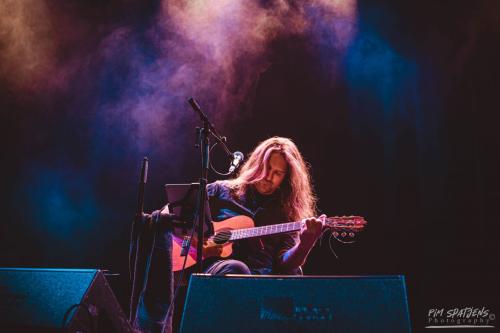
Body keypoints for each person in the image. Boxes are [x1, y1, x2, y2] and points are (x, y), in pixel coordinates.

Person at [200, 136, 325, 275]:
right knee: (237, 269)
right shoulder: (222, 190)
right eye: (267, 167)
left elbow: (286, 264)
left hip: (261, 277)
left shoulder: (287, 214)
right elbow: (178, 211)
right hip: (216, 267)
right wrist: (196, 243)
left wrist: (305, 245)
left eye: (277, 173)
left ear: (286, 178)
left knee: (294, 274)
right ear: (256, 164)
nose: (268, 176)